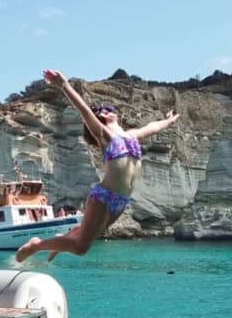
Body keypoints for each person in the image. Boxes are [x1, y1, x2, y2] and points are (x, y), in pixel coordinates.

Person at [16, 69, 179, 262]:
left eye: (110, 108)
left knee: (86, 236)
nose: (110, 110)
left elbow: (152, 127)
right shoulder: (106, 136)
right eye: (105, 109)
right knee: (80, 248)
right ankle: (37, 245)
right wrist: (64, 85)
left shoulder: (132, 136)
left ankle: (62, 239)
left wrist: (168, 120)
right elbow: (83, 109)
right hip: (104, 197)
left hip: (120, 201)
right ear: (101, 117)